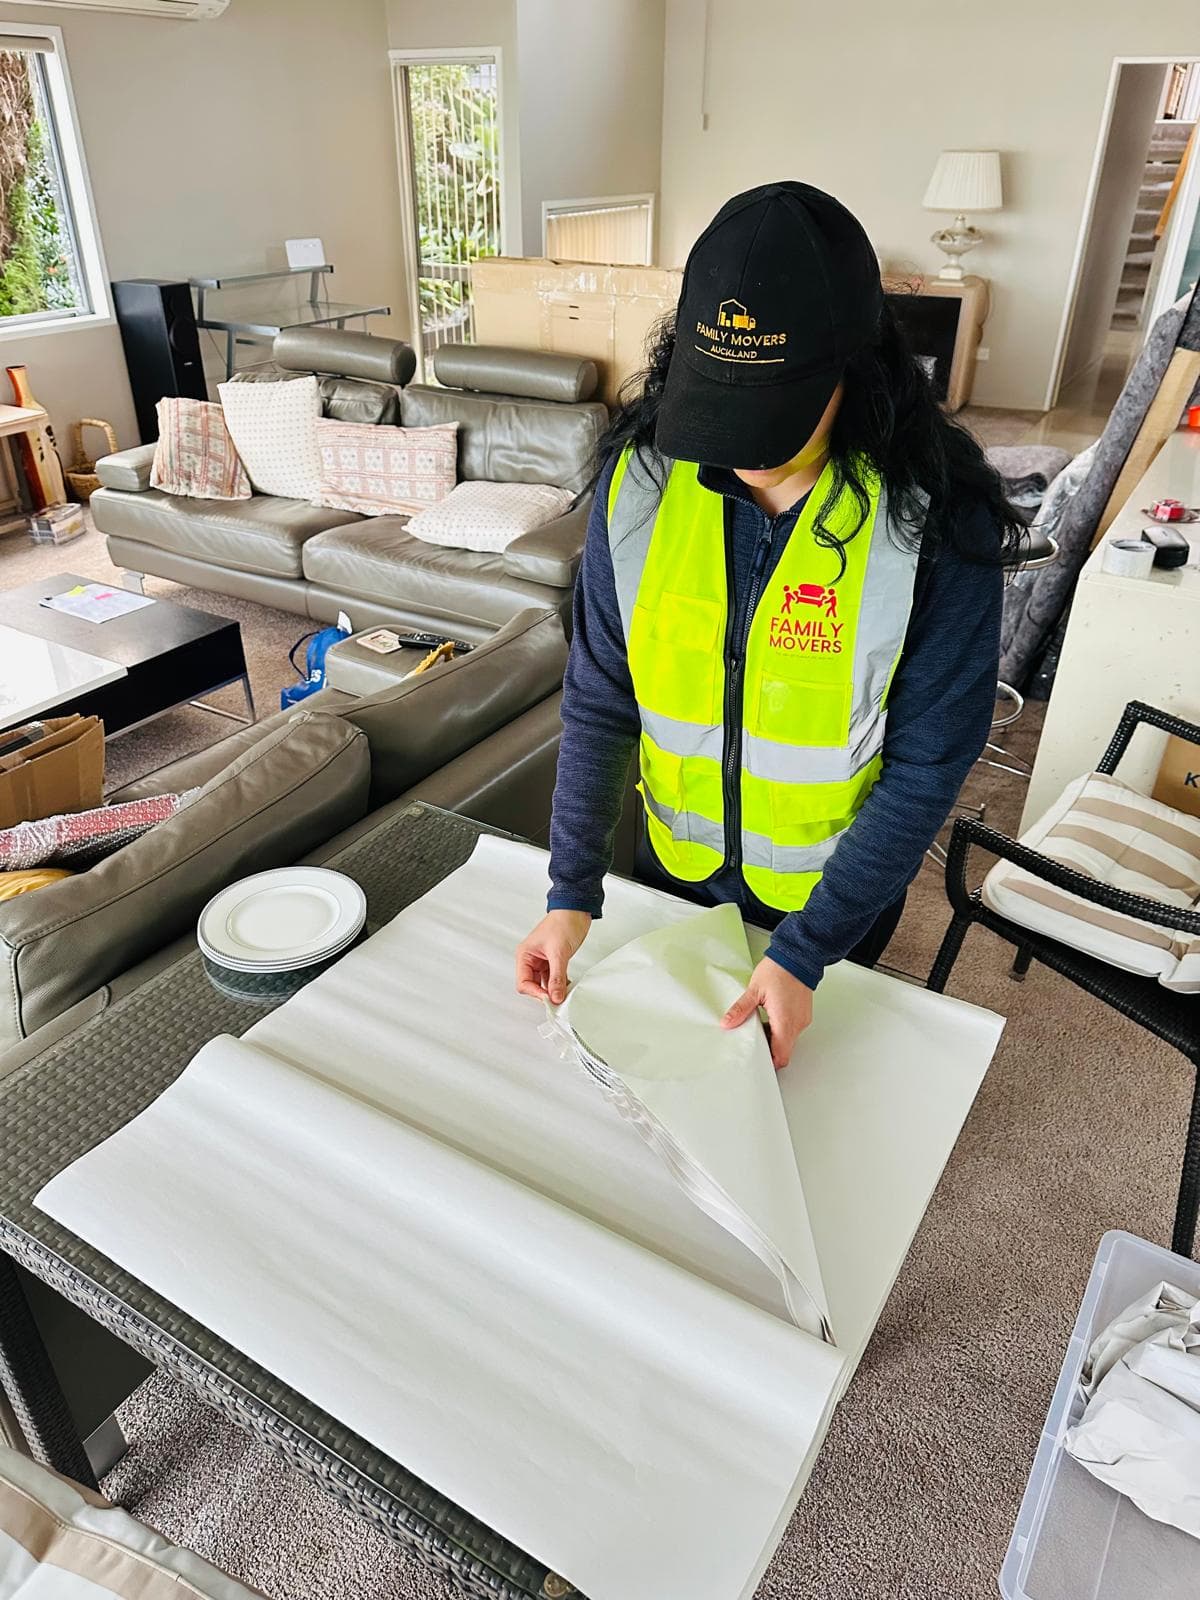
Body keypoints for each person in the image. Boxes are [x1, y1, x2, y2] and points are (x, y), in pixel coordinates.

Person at [516, 180, 1023, 1066]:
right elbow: (602, 702)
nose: (742, 450)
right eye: (719, 406)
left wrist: (806, 949)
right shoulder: (639, 487)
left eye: (773, 415)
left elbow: (929, 763)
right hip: (669, 874)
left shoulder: (935, 517)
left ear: (856, 367)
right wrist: (571, 892)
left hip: (832, 902)